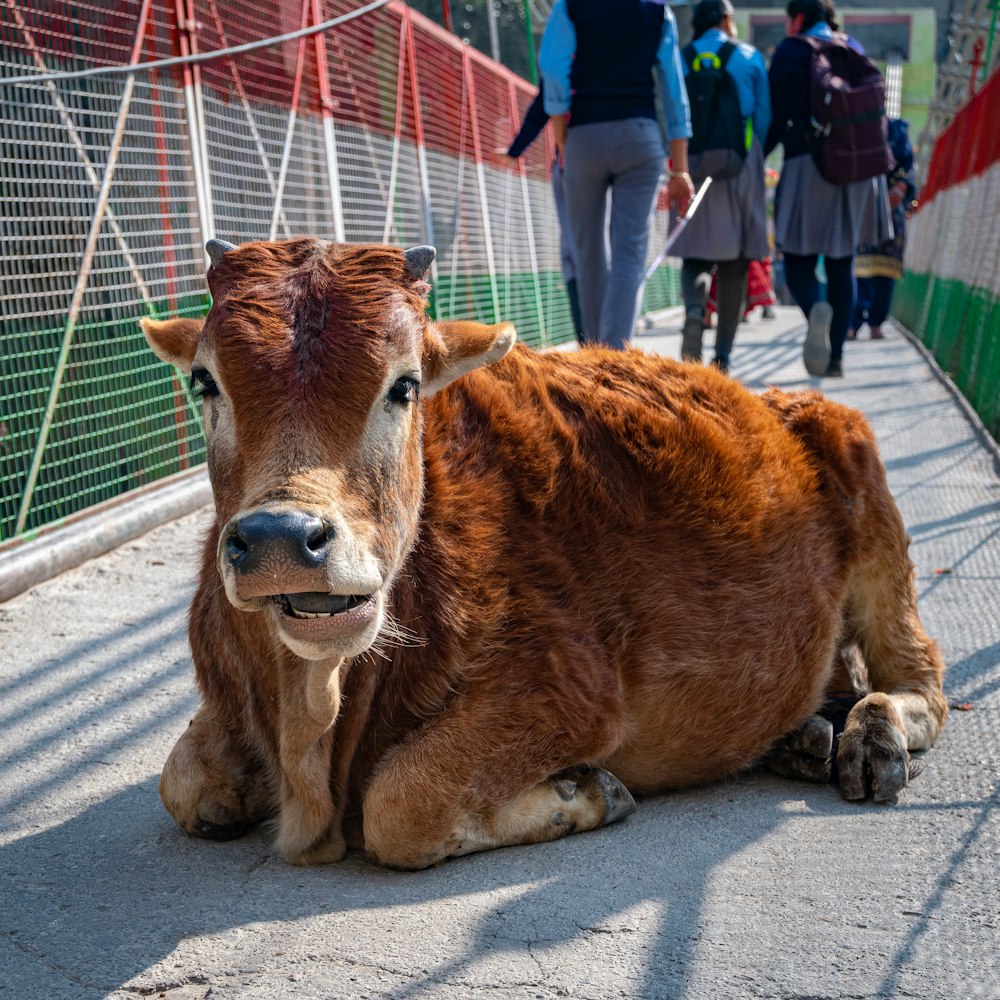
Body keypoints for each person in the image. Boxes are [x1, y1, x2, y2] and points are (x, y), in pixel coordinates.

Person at [539, 0, 693, 350]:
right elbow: (674, 93)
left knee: (587, 251)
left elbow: (552, 69)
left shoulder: (570, 8)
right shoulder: (657, 12)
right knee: (629, 251)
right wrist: (680, 168)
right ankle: (615, 354)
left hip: (584, 137)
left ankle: (594, 355)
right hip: (639, 138)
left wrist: (563, 140)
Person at [764, 0, 892, 377]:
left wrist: (755, 157)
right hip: (859, 172)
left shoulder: (790, 51)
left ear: (798, 18)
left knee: (798, 260)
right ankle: (835, 357)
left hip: (808, 165)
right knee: (842, 262)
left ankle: (814, 307)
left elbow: (775, 117)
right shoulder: (852, 47)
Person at [672, 0, 771, 373]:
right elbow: (763, 117)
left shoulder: (682, 58)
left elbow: (672, 110)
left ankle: (695, 311)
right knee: (736, 263)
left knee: (694, 254)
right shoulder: (749, 57)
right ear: (727, 20)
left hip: (691, 166)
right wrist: (749, 154)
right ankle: (723, 357)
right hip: (738, 167)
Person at [499, 82, 585, 343]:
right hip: (619, 157)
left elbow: (543, 107)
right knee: (604, 251)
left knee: (575, 252)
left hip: (573, 161)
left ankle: (589, 339)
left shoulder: (565, 49)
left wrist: (515, 151)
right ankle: (611, 334)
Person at [849, 118, 917, 340]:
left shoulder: (898, 131)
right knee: (859, 271)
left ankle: (876, 323)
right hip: (862, 206)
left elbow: (909, 168)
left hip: (892, 209)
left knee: (885, 272)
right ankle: (853, 322)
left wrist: (899, 189)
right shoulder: (855, 126)